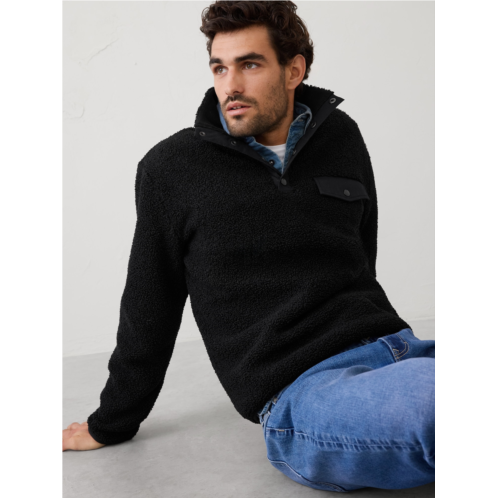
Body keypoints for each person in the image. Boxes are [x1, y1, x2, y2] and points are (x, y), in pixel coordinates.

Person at [62, 0, 435, 492]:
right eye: (220, 67)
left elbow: (361, 255)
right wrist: (111, 422)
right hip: (305, 392)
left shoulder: (341, 135)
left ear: (293, 70)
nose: (230, 85)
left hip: (401, 350)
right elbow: (149, 306)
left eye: (250, 65)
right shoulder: (172, 169)